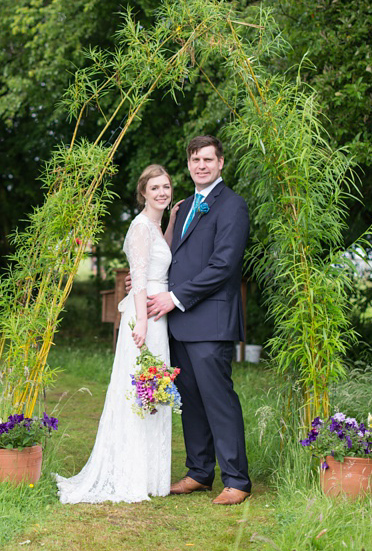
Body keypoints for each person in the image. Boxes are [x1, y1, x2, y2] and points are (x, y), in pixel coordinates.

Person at [55, 165, 179, 503]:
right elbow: (138, 278)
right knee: (139, 389)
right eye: (155, 188)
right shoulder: (140, 227)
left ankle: (152, 475)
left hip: (157, 312)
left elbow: (159, 259)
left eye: (166, 187)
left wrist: (170, 222)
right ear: (143, 193)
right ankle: (132, 473)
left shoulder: (153, 226)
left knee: (153, 389)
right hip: (146, 315)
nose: (162, 193)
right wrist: (141, 322)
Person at [146, 135, 252, 506]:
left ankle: (237, 480)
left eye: (208, 159)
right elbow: (169, 257)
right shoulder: (185, 205)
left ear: (221, 163)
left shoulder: (232, 206)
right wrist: (144, 280)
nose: (201, 165)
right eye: (195, 160)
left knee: (218, 400)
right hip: (178, 324)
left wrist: (174, 298)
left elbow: (223, 266)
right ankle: (199, 472)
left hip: (210, 321)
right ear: (189, 164)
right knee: (190, 400)